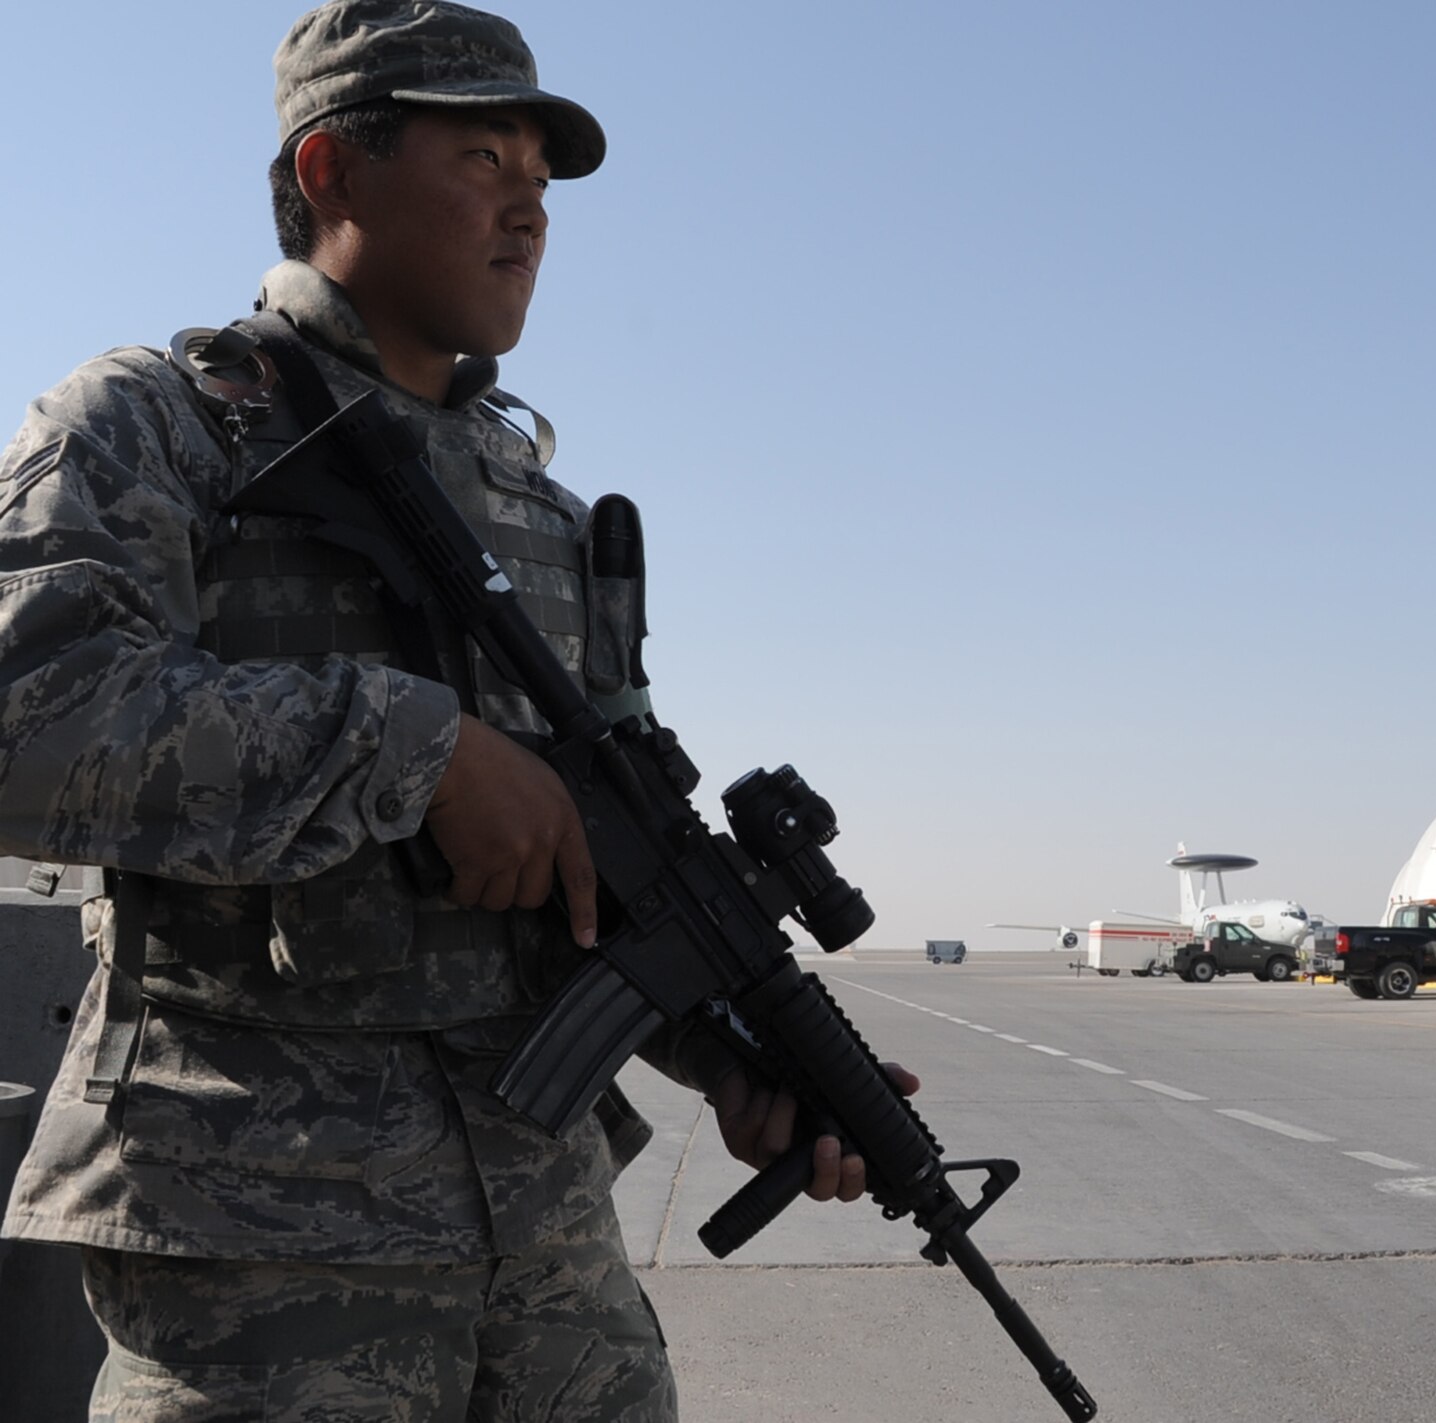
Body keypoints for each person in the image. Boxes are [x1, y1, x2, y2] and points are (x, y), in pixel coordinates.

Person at [0, 3, 911, 1418]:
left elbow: (601, 858)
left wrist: (732, 1060)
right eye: (483, 161)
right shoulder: (151, 426)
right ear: (329, 174)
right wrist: (410, 748)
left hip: (546, 1250)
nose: (527, 213)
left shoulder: (545, 508)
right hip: (265, 1253)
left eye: (539, 186)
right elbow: (28, 721)